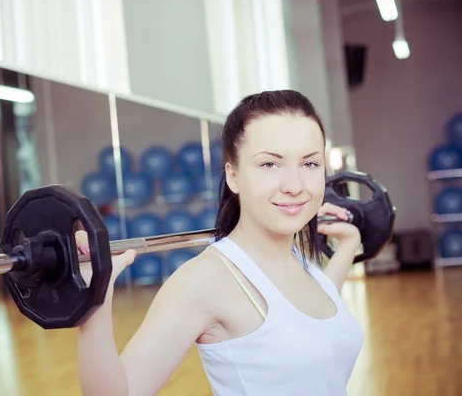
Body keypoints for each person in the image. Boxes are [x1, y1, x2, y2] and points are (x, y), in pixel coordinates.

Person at [75, 90, 364, 395]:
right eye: (270, 165)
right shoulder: (203, 280)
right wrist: (93, 297)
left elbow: (312, 321)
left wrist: (348, 245)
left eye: (309, 164)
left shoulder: (301, 264)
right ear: (233, 176)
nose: (294, 186)